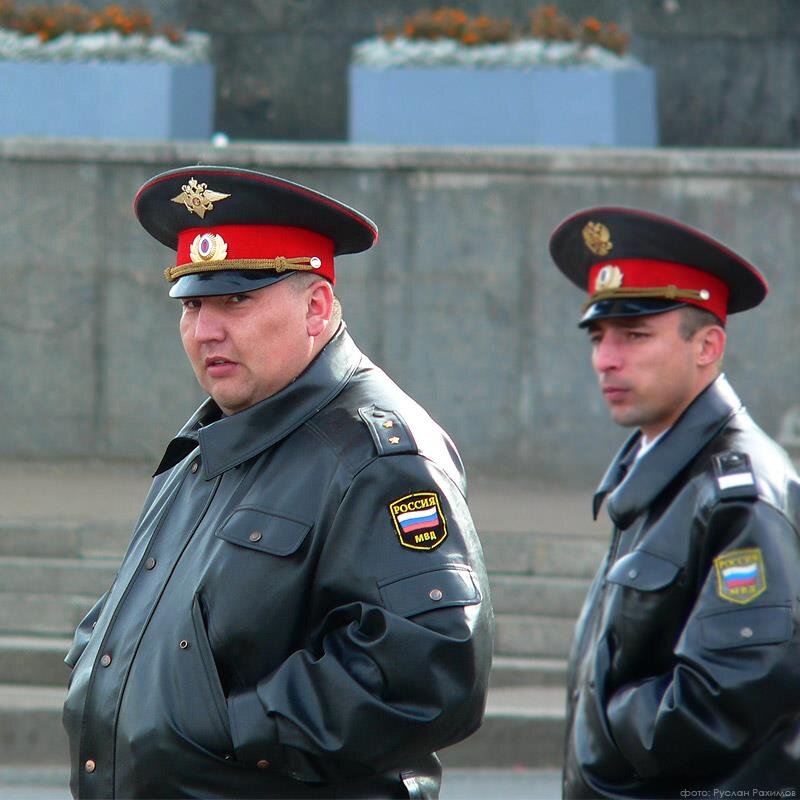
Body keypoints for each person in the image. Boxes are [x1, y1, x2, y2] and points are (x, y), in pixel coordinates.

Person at [62, 166, 494, 800]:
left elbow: (427, 669)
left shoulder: (377, 453)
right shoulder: (214, 440)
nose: (206, 329)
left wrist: (219, 731)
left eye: (237, 300)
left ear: (316, 307)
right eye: (193, 304)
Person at [549, 207, 800, 798]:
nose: (606, 359)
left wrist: (601, 729)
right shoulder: (663, 470)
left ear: (708, 345)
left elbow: (730, 695)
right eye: (598, 336)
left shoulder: (739, 496)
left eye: (635, 336)